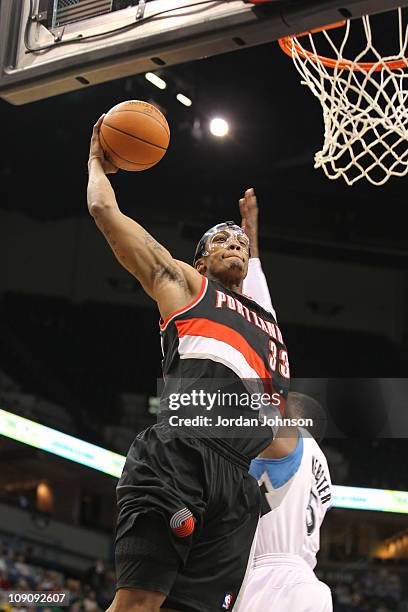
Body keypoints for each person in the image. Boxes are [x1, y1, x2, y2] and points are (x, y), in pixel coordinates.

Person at [87, 117, 290, 612]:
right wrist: (97, 162)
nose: (235, 244)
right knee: (137, 602)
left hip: (238, 484)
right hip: (182, 452)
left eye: (240, 242)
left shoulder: (271, 331)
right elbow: (103, 210)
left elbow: (283, 434)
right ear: (199, 261)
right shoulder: (186, 285)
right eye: (222, 241)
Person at [237, 190, 332, 612]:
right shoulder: (318, 463)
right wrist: (252, 244)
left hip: (273, 583)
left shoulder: (285, 441)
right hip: (307, 586)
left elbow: (265, 337)